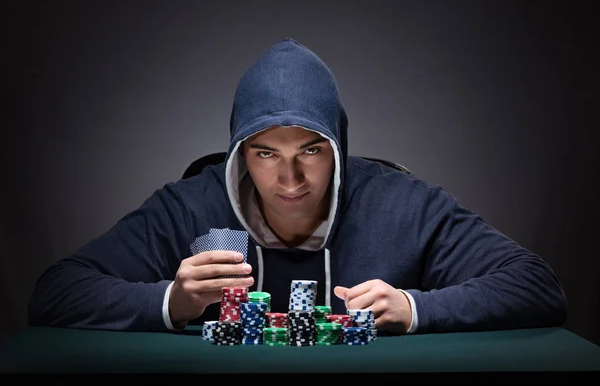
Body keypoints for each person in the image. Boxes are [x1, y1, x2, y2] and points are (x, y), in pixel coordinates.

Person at [27, 37, 568, 336]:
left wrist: (415, 308)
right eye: (265, 154)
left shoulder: (405, 204)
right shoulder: (189, 206)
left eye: (311, 150)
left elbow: (537, 287)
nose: (290, 179)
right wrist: (172, 299)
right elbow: (55, 292)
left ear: (339, 148)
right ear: (240, 153)